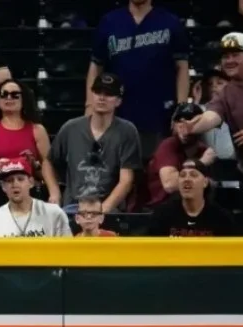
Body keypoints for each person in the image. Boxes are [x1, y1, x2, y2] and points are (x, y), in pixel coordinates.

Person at [188, 32, 243, 236]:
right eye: (225, 56)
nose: (229, 60)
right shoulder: (225, 93)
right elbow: (212, 116)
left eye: (235, 55)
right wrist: (193, 125)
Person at [87, 0, 189, 158]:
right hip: (117, 115)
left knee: (156, 174)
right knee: (118, 173)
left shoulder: (170, 22)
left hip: (159, 116)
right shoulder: (109, 22)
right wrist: (89, 106)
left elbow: (182, 68)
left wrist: (181, 110)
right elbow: (96, 66)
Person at [49, 72, 142, 214]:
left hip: (109, 209)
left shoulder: (127, 131)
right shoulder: (71, 128)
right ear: (91, 95)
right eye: (98, 92)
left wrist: (102, 210)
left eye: (109, 94)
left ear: (118, 101)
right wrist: (55, 193)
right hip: (74, 207)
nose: (102, 98)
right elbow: (48, 162)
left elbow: (126, 180)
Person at [0, 79, 60, 202]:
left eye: (15, 95)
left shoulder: (37, 130)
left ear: (23, 99)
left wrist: (34, 165)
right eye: (4, 94)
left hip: (31, 193)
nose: (9, 98)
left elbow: (50, 172)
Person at [146, 102, 215, 208]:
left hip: (193, 208)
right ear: (174, 125)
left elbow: (211, 185)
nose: (184, 126)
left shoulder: (205, 150)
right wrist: (201, 163)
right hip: (162, 208)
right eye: (179, 121)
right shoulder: (168, 145)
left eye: (190, 121)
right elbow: (170, 184)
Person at [0, 157, 72, 237]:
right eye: (9, 180)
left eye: (20, 179)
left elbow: (68, 251)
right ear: (3, 186)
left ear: (31, 182)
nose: (15, 184)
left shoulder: (54, 213)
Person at [149, 159, 236, 236]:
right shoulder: (162, 215)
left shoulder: (222, 218)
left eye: (193, 175)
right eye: (182, 175)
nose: (186, 179)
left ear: (205, 182)